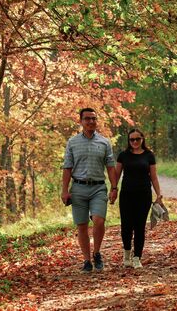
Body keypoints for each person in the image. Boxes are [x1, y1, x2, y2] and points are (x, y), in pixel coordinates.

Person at [61, 108, 118, 272]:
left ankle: (97, 252)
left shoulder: (104, 142)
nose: (91, 122)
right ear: (81, 121)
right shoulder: (72, 142)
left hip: (98, 187)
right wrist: (65, 190)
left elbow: (110, 166)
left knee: (99, 220)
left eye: (93, 119)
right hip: (78, 187)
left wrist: (114, 188)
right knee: (82, 225)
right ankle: (87, 260)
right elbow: (67, 167)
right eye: (87, 119)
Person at [114, 129, 162, 269]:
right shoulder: (123, 155)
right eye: (132, 140)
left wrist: (158, 194)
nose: (135, 142)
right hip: (127, 194)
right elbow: (117, 175)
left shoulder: (149, 155)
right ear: (128, 141)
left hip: (144, 194)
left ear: (142, 139)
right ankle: (127, 253)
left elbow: (153, 177)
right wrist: (113, 189)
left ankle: (137, 257)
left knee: (140, 226)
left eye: (137, 139)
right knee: (126, 226)